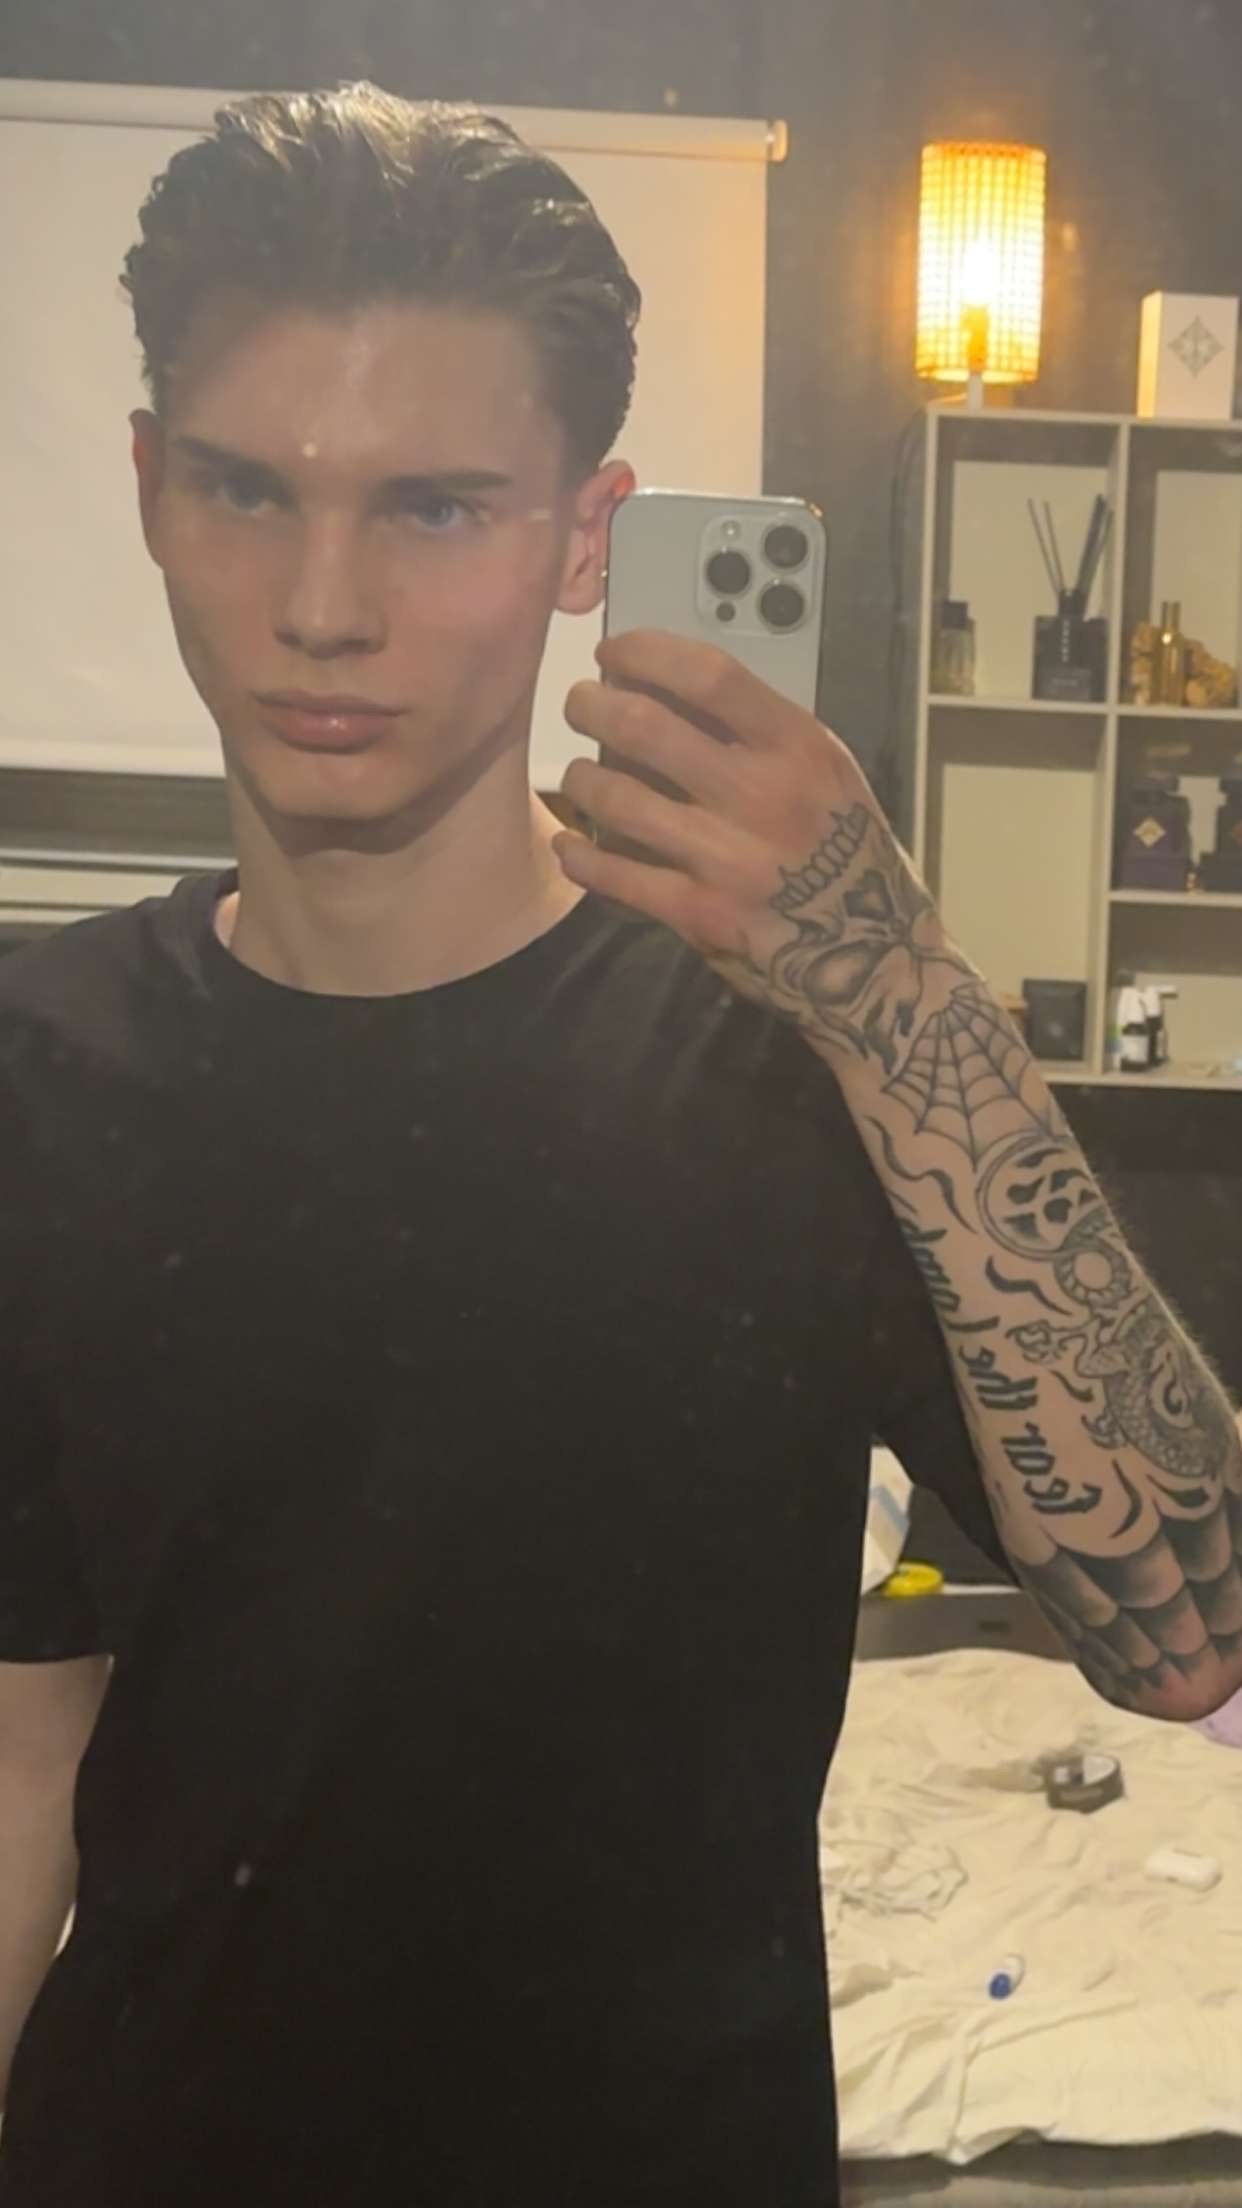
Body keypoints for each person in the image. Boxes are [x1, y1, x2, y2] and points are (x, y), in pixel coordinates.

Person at [0, 80, 1238, 2208]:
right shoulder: (39, 1071)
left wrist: (901, 993)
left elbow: (1184, 1636)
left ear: (589, 537)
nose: (321, 603)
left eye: (436, 507)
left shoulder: (795, 1064)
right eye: (245, 487)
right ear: (145, 486)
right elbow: (24, 1738)